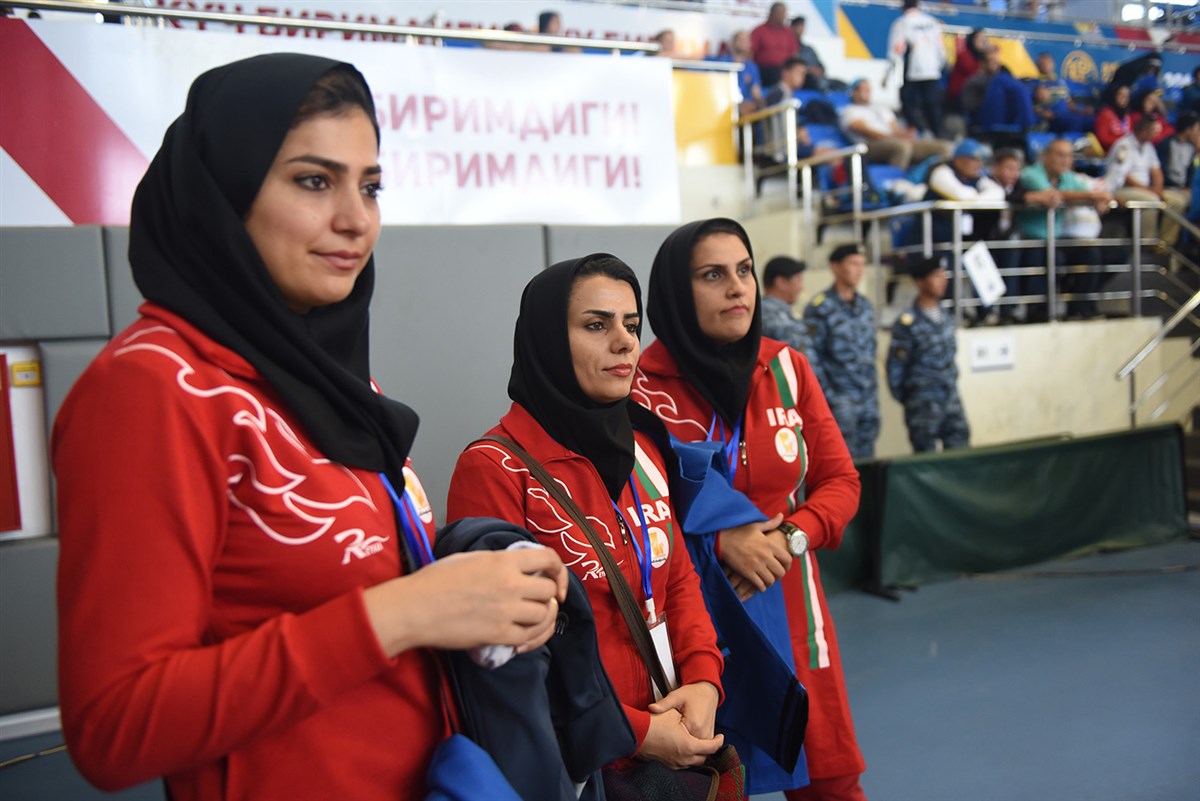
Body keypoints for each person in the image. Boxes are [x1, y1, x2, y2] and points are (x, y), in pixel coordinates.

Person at [51, 54, 571, 799]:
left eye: (370, 186)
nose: (356, 219)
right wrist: (401, 613)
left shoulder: (327, 380)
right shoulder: (154, 388)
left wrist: (485, 593)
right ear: (225, 194)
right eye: (314, 180)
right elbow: (115, 724)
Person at [446, 256, 726, 772]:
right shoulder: (495, 468)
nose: (625, 343)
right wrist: (634, 732)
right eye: (597, 325)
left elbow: (679, 580)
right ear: (548, 340)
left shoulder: (643, 448)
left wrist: (705, 680)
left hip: (673, 725)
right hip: (576, 756)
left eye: (631, 325)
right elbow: (507, 650)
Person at [631, 218, 866, 801]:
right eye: (713, 275)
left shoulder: (786, 368)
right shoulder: (639, 386)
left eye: (744, 270)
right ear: (676, 292)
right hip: (696, 624)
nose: (737, 287)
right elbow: (626, 510)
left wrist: (790, 536)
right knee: (709, 784)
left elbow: (841, 482)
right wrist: (718, 538)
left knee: (832, 781)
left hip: (792, 602)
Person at [1018, 137, 1114, 320]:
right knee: (1052, 259)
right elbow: (1053, 195)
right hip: (1029, 239)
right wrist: (1093, 196)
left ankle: (1079, 308)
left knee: (1094, 255)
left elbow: (1084, 193)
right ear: (1045, 156)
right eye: (1060, 155)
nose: (1065, 160)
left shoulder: (1067, 177)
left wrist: (1097, 200)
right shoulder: (1031, 173)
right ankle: (1038, 313)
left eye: (1069, 156)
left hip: (1055, 239)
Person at [804, 243, 880, 460]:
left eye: (862, 264)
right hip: (840, 402)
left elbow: (870, 354)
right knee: (841, 463)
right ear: (836, 267)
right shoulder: (820, 307)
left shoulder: (865, 305)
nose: (859, 270)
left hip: (868, 401)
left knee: (868, 464)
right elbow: (812, 359)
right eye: (853, 263)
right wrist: (830, 398)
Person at [886, 256, 970, 452]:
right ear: (920, 282)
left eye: (944, 275)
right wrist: (912, 399)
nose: (943, 281)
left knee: (961, 453)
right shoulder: (907, 323)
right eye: (936, 276)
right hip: (922, 404)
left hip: (951, 399)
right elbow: (895, 368)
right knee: (926, 458)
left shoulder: (946, 316)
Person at [1105, 115, 1190, 249]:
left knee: (1177, 201)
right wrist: (1151, 190)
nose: (1155, 135)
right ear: (1144, 130)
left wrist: (1158, 189)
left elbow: (1156, 171)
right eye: (1153, 131)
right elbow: (1124, 176)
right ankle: (1147, 242)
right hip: (1123, 189)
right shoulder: (1123, 145)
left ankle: (1165, 244)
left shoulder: (1148, 147)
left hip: (1146, 188)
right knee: (1151, 200)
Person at [840, 77, 953, 169]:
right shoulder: (849, 111)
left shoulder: (880, 108)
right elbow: (863, 130)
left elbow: (895, 128)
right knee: (902, 147)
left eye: (869, 90)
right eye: (864, 90)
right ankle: (896, 182)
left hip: (894, 139)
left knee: (944, 147)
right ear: (854, 92)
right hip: (870, 145)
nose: (867, 93)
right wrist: (891, 137)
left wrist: (905, 134)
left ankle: (932, 179)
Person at [886, 0, 948, 137]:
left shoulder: (902, 22)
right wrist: (938, 67)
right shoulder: (932, 22)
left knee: (907, 104)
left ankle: (920, 131)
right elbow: (942, 51)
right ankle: (938, 134)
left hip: (913, 71)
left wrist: (887, 74)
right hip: (932, 71)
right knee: (932, 105)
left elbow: (895, 51)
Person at [760, 255, 816, 361]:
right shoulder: (771, 315)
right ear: (781, 282)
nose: (801, 287)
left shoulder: (778, 312)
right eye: (798, 280)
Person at [752, 2, 799, 88]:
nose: (784, 16)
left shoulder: (788, 33)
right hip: (765, 69)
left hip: (784, 70)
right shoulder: (759, 31)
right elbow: (751, 53)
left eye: (784, 14)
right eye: (781, 13)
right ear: (773, 13)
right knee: (776, 74)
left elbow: (794, 54)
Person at [946, 28, 987, 114]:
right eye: (979, 39)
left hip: (972, 94)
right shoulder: (964, 55)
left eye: (984, 39)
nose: (983, 42)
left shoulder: (981, 58)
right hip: (959, 95)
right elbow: (974, 72)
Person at [1157, 111, 1199, 191]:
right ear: (1188, 129)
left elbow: (1190, 171)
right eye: (1197, 129)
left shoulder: (1191, 148)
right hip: (1168, 186)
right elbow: (1161, 169)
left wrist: (1187, 187)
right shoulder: (1166, 144)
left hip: (1184, 188)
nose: (1197, 133)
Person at [790, 15, 827, 91]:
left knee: (839, 84)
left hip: (819, 78)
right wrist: (809, 70)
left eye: (802, 26)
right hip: (806, 80)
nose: (801, 29)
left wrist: (819, 70)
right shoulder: (789, 48)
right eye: (798, 26)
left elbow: (821, 66)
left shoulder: (808, 49)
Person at [1093, 84, 1131, 153]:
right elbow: (1102, 139)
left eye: (1126, 96)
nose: (1124, 99)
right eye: (1121, 95)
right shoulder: (1105, 114)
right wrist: (1123, 140)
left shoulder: (1127, 116)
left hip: (1126, 151)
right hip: (1109, 153)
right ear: (1114, 95)